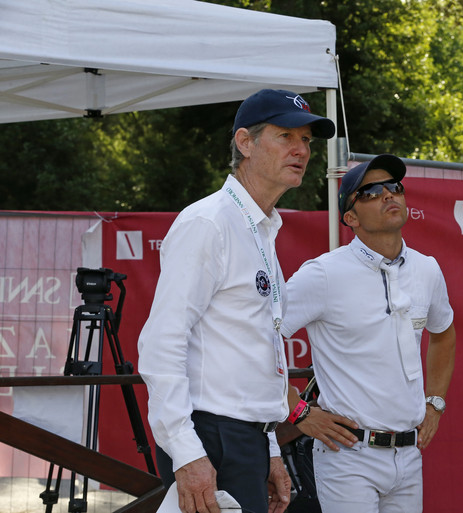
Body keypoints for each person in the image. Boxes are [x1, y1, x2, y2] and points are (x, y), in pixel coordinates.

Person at [137, 89, 336, 513]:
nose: (301, 150)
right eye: (286, 136)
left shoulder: (259, 227)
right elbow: (161, 345)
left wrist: (268, 447)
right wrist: (187, 452)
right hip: (210, 438)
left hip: (242, 438)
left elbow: (250, 357)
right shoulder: (209, 223)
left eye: (307, 141)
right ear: (245, 142)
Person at [279, 154, 456, 513]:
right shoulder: (323, 274)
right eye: (371, 192)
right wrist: (296, 410)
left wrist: (435, 403)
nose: (389, 195)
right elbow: (258, 335)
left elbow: (444, 332)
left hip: (409, 455)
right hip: (348, 456)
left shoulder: (427, 269)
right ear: (351, 218)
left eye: (395, 187)